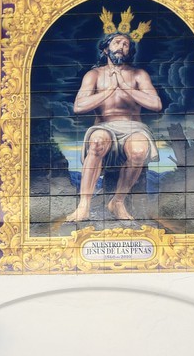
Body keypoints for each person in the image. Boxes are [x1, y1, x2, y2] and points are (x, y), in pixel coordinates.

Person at [64, 29, 162, 223]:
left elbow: (156, 104)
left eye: (125, 44)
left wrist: (125, 87)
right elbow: (79, 106)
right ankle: (83, 206)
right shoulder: (94, 75)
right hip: (104, 125)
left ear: (129, 51)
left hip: (133, 126)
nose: (121, 47)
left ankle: (117, 202)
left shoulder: (138, 75)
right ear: (106, 48)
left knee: (139, 150)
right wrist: (109, 90)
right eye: (117, 42)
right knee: (97, 142)